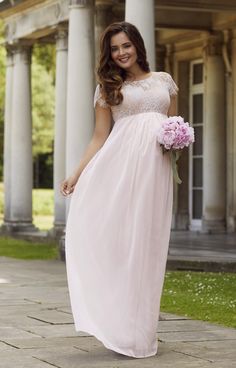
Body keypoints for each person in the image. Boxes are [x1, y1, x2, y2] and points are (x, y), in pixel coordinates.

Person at [61, 21, 178, 359]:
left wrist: (179, 140)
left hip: (155, 172)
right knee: (123, 241)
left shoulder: (164, 81)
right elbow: (99, 136)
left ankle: (143, 330)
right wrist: (77, 173)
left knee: (150, 244)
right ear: (109, 54)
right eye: (114, 48)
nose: (121, 52)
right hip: (118, 169)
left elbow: (175, 124)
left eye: (126, 45)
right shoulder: (107, 88)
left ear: (137, 45)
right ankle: (118, 325)